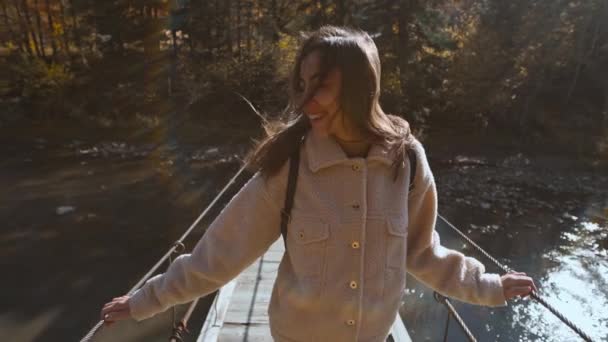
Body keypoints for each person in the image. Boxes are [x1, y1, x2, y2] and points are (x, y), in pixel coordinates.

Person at [101, 26, 537, 341]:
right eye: (303, 85)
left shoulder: (407, 161)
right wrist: (143, 301)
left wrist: (491, 287)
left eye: (321, 86)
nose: (305, 101)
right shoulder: (289, 166)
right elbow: (216, 258)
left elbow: (423, 253)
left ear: (361, 89)